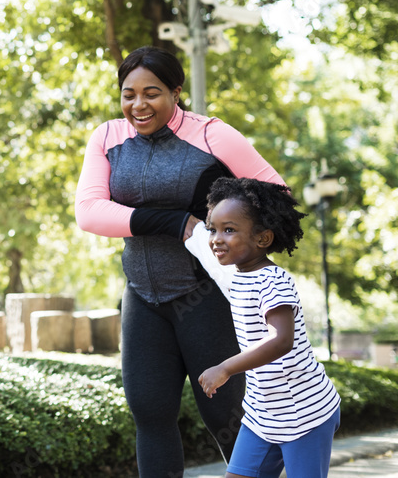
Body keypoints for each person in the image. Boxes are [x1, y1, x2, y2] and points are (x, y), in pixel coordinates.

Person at [74, 45, 285, 477]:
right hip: (142, 295)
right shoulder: (108, 138)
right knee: (149, 414)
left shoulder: (212, 135)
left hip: (204, 295)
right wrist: (175, 222)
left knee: (227, 415)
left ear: (176, 91)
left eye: (151, 93)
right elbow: (89, 212)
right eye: (128, 94)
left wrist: (230, 230)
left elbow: (277, 197)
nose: (138, 104)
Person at [199, 177, 341, 478]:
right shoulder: (238, 276)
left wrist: (225, 368)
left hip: (304, 412)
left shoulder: (272, 280)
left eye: (229, 230)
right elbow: (202, 250)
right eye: (213, 229)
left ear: (262, 239)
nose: (216, 239)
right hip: (262, 413)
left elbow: (281, 341)